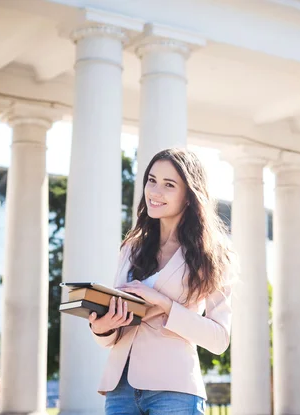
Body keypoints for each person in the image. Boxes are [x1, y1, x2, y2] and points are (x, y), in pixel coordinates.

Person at [88, 148, 236, 414]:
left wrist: (166, 305)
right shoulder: (130, 249)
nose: (155, 191)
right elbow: (110, 338)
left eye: (169, 185)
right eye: (152, 180)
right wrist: (103, 327)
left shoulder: (212, 254)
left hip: (175, 392)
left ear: (189, 196)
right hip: (120, 389)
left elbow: (219, 339)